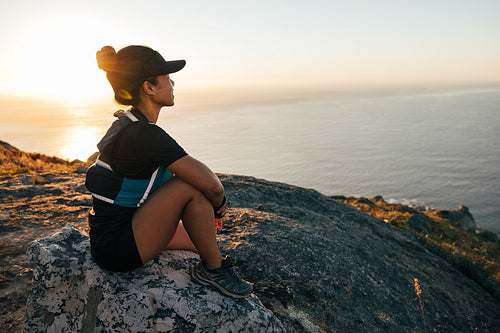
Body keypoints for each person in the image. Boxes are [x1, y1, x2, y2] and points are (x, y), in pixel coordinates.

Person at [85, 45, 253, 298]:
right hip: (117, 247)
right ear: (149, 88)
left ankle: (212, 260)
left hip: (122, 227)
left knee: (203, 242)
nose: (172, 82)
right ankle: (214, 270)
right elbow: (210, 184)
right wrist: (219, 204)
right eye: (166, 78)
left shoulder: (128, 123)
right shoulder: (145, 135)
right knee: (191, 186)